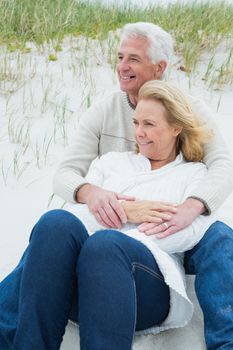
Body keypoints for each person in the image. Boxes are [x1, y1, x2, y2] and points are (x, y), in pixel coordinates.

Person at [52, 22, 233, 349]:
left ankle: (226, 341)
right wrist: (92, 194)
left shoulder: (187, 109)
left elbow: (222, 163)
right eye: (120, 56)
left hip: (171, 213)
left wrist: (193, 206)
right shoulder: (107, 113)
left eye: (133, 59)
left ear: (159, 67)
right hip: (115, 219)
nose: (122, 66)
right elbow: (66, 173)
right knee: (53, 234)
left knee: (220, 237)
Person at [0, 80, 218, 349]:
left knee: (104, 245)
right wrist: (128, 212)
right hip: (80, 285)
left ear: (176, 128)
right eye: (136, 123)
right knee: (55, 222)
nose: (139, 132)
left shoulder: (194, 174)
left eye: (149, 124)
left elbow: (189, 232)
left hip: (146, 290)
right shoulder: (111, 163)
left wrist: (115, 233)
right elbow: (76, 219)